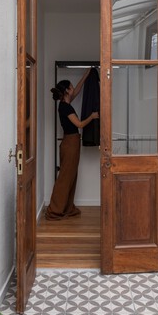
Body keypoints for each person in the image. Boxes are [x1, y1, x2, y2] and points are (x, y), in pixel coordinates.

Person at [45, 70, 99, 221]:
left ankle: (67, 208)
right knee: (65, 178)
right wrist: (92, 116)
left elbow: (78, 89)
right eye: (71, 86)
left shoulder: (65, 103)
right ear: (67, 91)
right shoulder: (65, 107)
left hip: (72, 142)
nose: (74, 87)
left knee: (71, 176)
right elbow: (79, 124)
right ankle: (54, 210)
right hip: (70, 143)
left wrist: (87, 74)